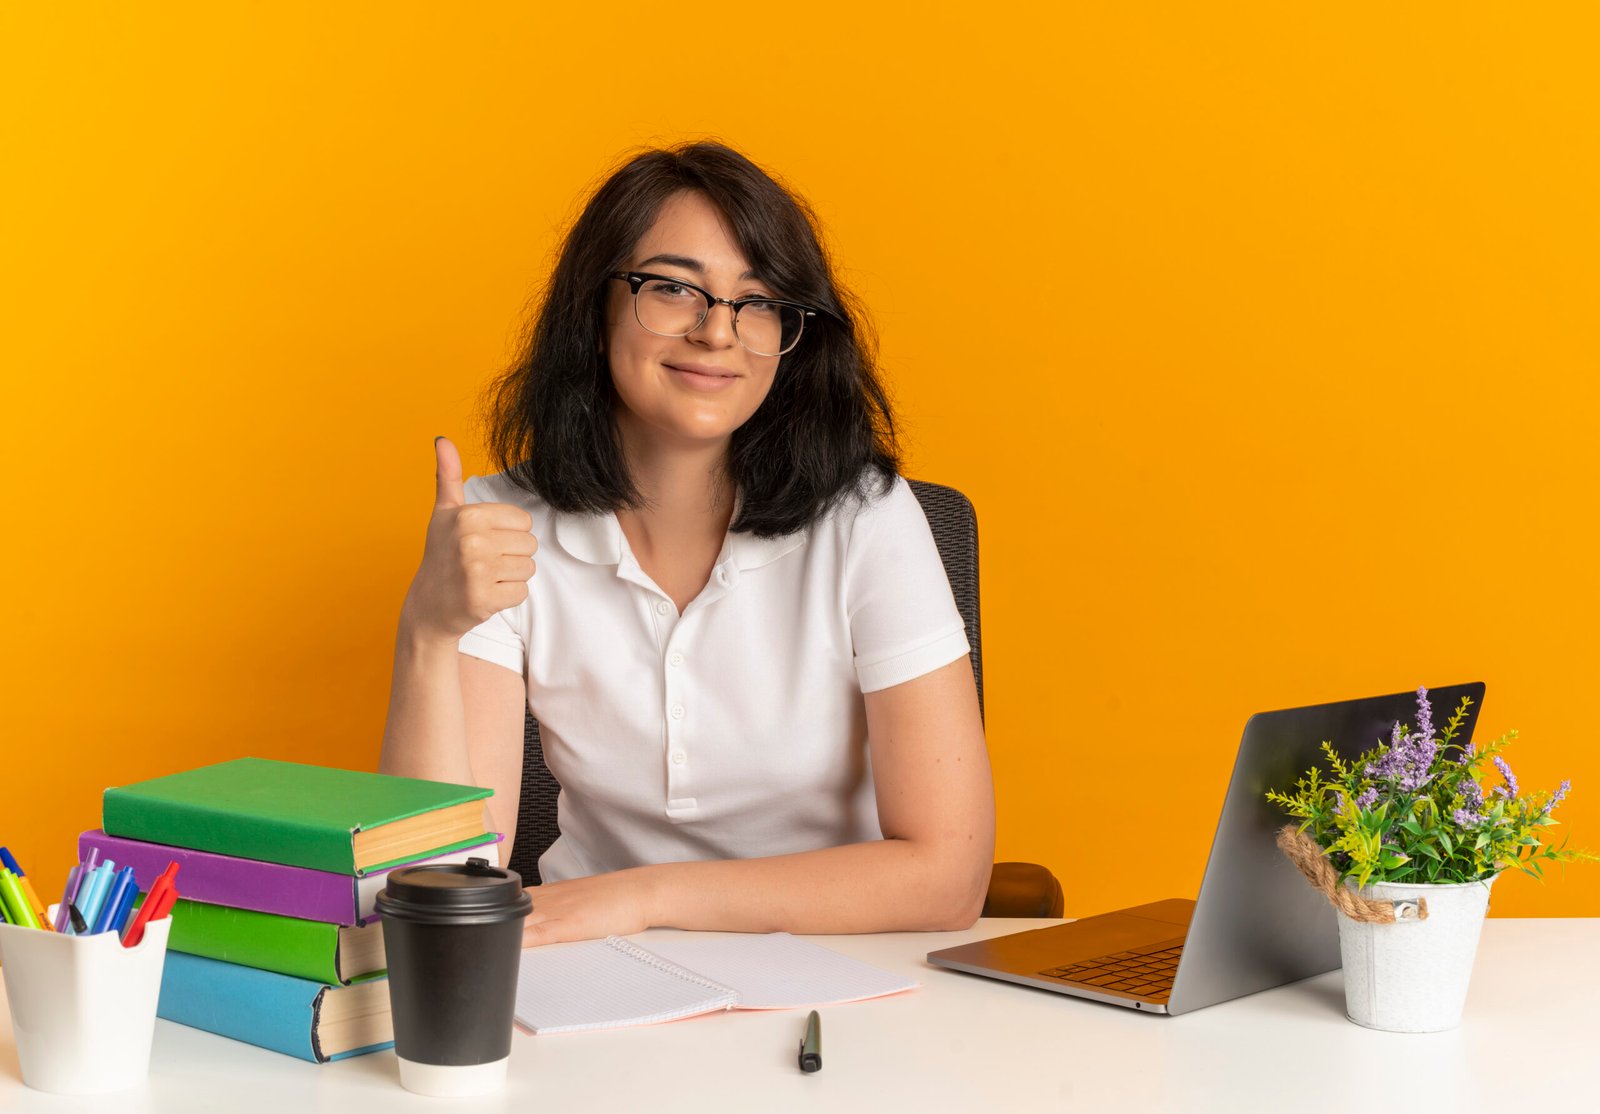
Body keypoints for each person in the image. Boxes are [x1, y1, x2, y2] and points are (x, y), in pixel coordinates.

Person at [379, 141, 994, 947]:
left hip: (834, 973)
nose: (717, 332)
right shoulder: (501, 523)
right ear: (594, 309)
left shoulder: (868, 518)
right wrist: (427, 633)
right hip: (590, 970)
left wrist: (637, 898)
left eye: (759, 300)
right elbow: (439, 884)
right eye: (673, 288)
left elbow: (949, 879)